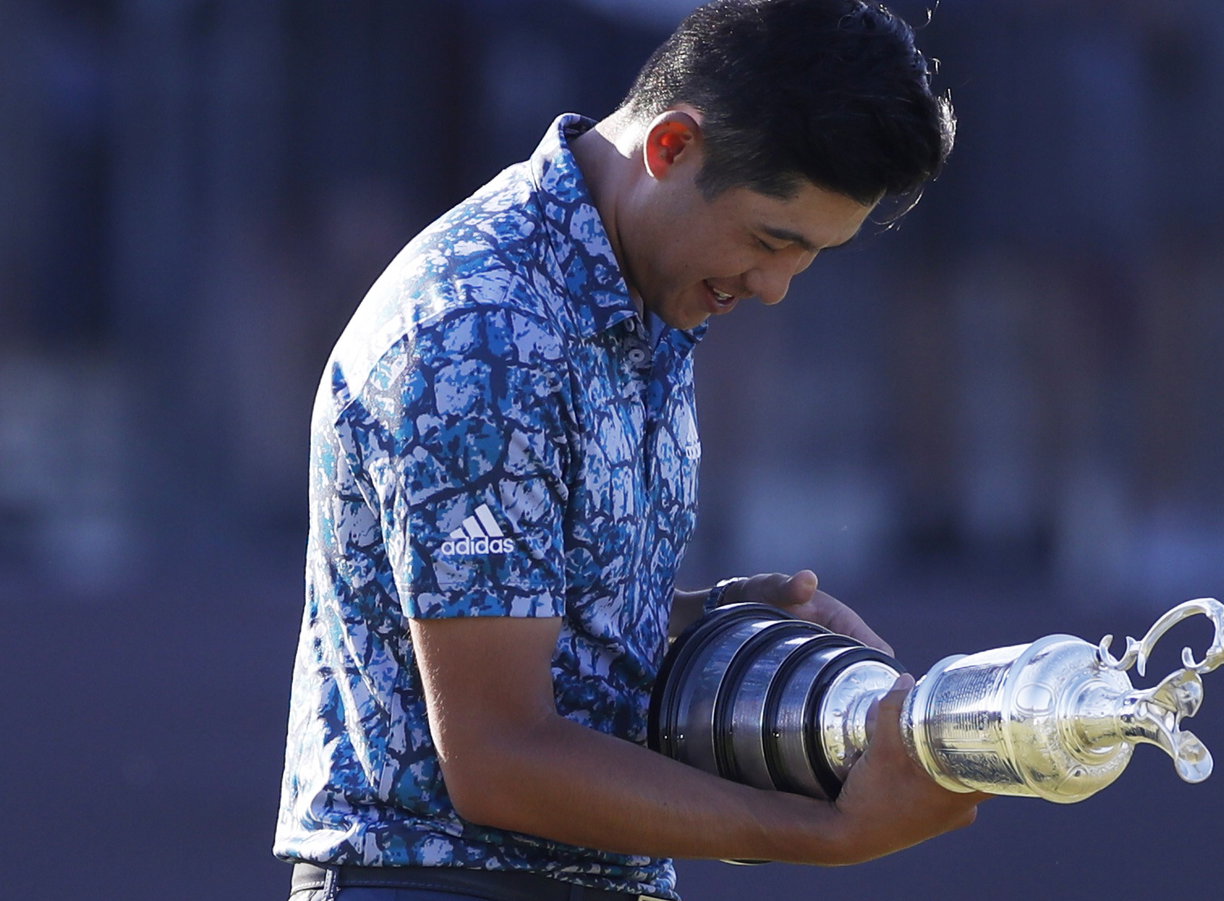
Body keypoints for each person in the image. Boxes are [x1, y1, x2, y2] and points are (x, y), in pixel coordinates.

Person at [275, 2, 982, 898]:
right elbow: (499, 755)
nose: (772, 287)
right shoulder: (484, 330)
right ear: (672, 148)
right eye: (772, 240)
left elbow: (522, 615)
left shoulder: (637, 276)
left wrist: (701, 612)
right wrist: (833, 835)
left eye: (809, 257)